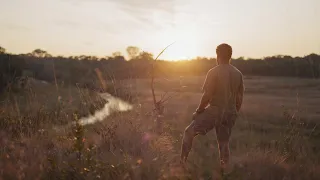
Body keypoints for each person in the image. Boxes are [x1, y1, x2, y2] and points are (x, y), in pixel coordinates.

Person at [180, 43, 245, 173]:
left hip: (215, 110)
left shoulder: (214, 72)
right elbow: (239, 99)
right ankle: (224, 171)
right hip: (231, 112)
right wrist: (233, 112)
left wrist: (198, 111)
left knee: (188, 132)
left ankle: (181, 165)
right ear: (230, 56)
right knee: (224, 143)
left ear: (217, 55)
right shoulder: (238, 73)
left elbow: (207, 95)